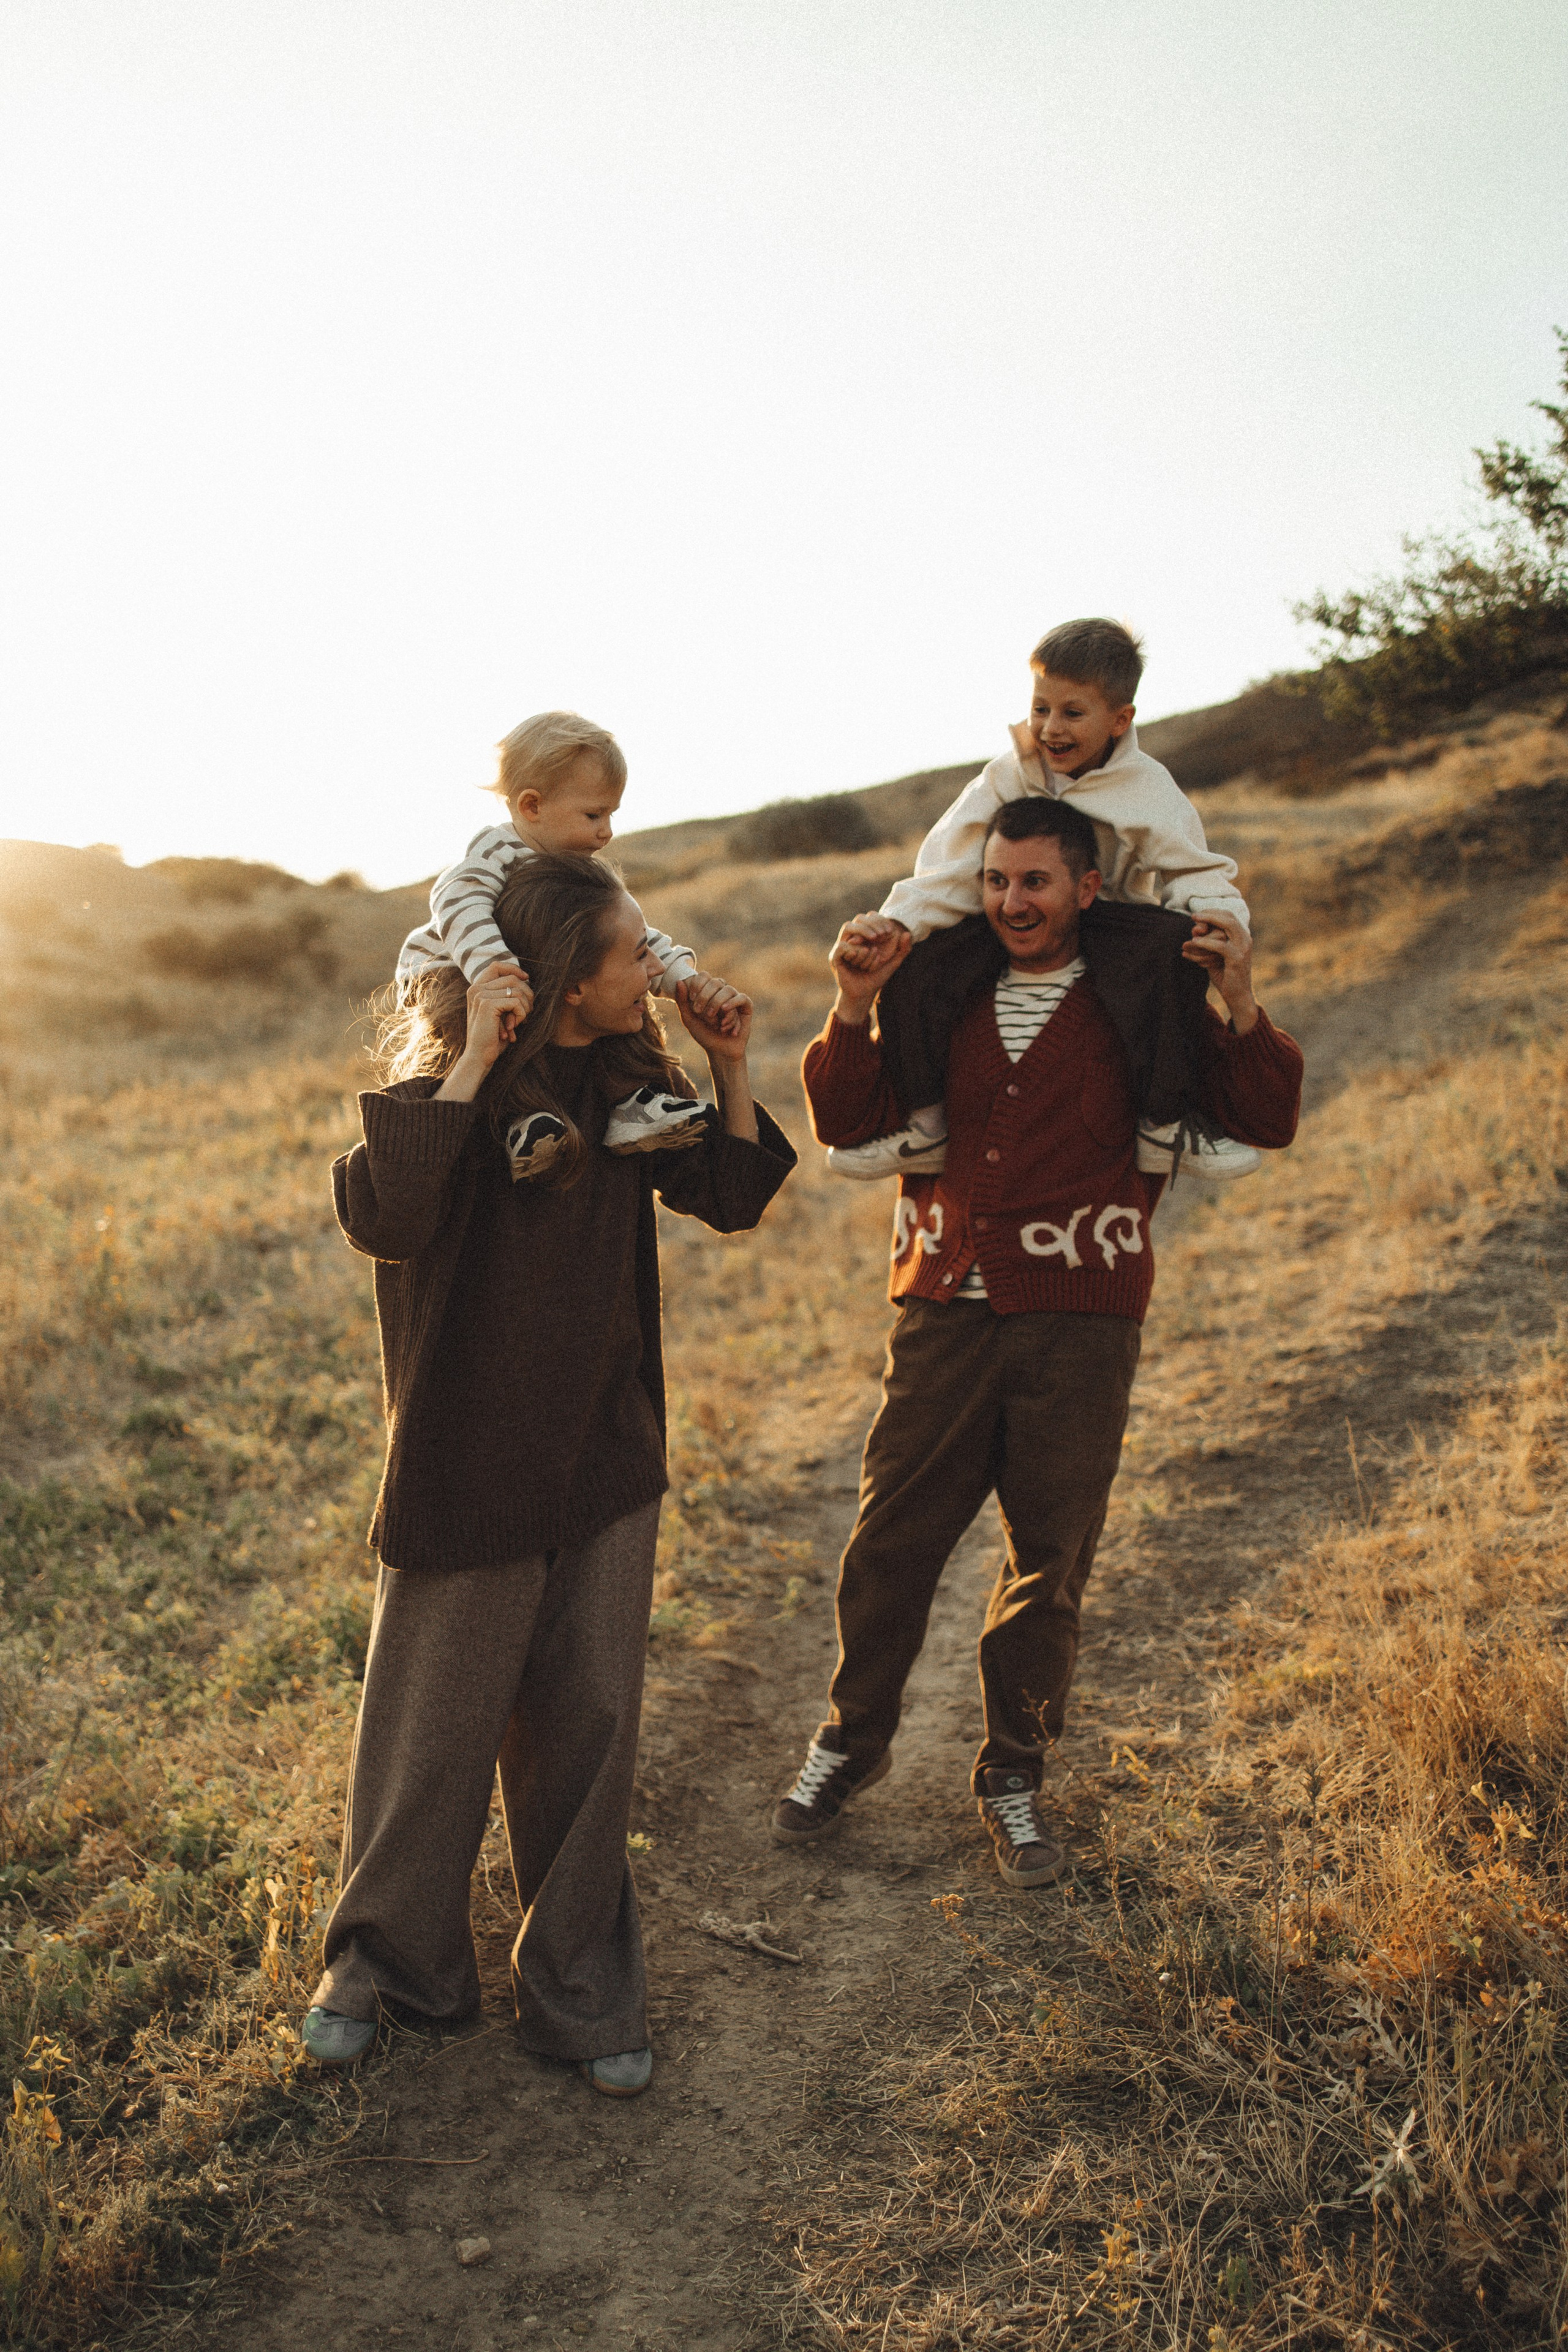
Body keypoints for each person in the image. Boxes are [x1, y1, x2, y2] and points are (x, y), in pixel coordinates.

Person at [304, 853, 795, 2092]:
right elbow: (385, 1218)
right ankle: (383, 1968)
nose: (657, 967)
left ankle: (580, 1991)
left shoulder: (629, 1083)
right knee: (431, 1742)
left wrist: (726, 1060)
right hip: (464, 1464)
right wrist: (471, 1053)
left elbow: (729, 1193)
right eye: (636, 954)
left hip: (602, 1460)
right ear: (570, 983)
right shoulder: (450, 1096)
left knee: (587, 1731)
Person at [772, 797, 1302, 1887]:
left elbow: (1265, 1114)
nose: (1014, 902)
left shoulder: (1144, 995)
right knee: (889, 1544)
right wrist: (854, 1005)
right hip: (943, 1306)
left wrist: (1241, 997)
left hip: (1083, 1318)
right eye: (999, 881)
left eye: (1037, 883)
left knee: (1047, 1559)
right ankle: (850, 1742)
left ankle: (1015, 1774)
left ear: (1086, 889)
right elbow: (844, 1117)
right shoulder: (941, 984)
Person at [826, 619, 1261, 1185]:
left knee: (1173, 951)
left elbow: (1192, 868)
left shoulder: (1148, 786)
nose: (1050, 728)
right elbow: (954, 862)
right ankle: (926, 1125)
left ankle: (1163, 1124)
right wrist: (900, 921)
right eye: (1040, 709)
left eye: (1072, 713)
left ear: (1120, 720)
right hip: (1010, 913)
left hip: (1105, 918)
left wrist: (1217, 918)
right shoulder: (1010, 773)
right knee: (919, 961)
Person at [398, 709, 744, 1175]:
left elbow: (628, 938)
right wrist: (494, 970)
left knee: (609, 988)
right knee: (497, 1029)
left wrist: (681, 977)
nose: (607, 831)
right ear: (532, 807)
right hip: (447, 974)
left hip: (516, 976)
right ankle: (522, 1125)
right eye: (593, 814)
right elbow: (458, 905)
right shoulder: (498, 853)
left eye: (611, 814)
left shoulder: (577, 876)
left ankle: (631, 1110)